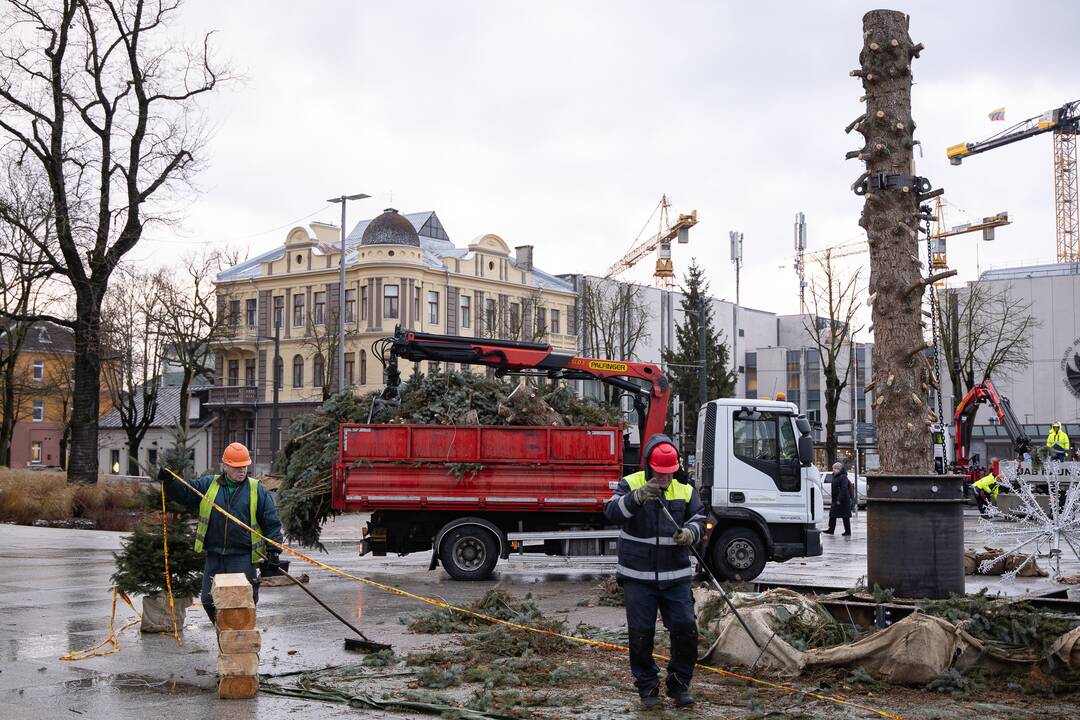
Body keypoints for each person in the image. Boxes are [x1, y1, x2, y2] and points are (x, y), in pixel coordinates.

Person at [604, 434, 706, 710]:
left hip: (676, 577)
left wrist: (691, 533)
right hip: (638, 577)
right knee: (641, 635)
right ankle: (647, 688)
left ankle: (679, 685)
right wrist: (636, 498)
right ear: (650, 467)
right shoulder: (631, 483)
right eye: (660, 474)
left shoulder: (684, 489)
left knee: (685, 631)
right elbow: (611, 511)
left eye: (669, 474)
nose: (665, 479)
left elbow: (699, 517)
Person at [160, 442, 283, 626]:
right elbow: (186, 492)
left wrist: (274, 551)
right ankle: (224, 631)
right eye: (237, 467)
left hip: (242, 555)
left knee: (241, 603)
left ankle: (240, 641)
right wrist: (170, 482)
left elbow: (271, 521)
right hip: (215, 555)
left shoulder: (256, 489)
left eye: (245, 466)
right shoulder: (209, 485)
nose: (242, 471)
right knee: (208, 600)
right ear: (225, 466)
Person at [823, 462, 852, 536]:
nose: (834, 470)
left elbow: (844, 489)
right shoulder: (835, 476)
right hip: (836, 499)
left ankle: (848, 531)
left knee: (845, 516)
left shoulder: (843, 477)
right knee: (832, 515)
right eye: (833, 468)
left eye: (836, 468)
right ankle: (831, 529)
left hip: (843, 500)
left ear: (839, 469)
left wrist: (839, 499)